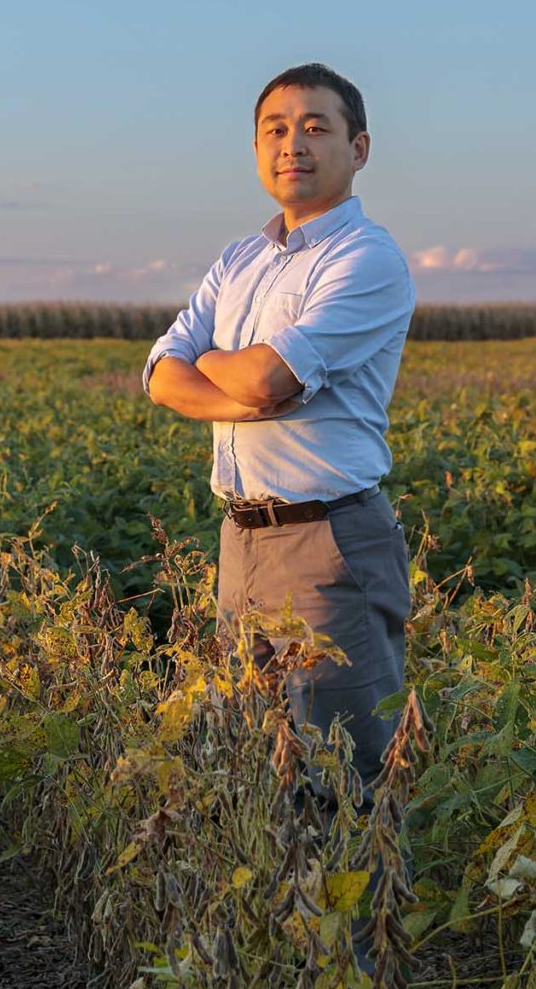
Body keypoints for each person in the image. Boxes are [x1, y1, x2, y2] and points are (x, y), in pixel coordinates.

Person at [143, 61, 418, 799]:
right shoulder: (240, 259)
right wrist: (243, 386)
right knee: (259, 773)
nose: (291, 143)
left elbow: (271, 377)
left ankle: (366, 922)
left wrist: (221, 366)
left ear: (358, 149)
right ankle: (283, 920)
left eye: (314, 127)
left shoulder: (366, 258)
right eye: (274, 129)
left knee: (348, 779)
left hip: (326, 546)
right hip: (241, 541)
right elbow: (161, 373)